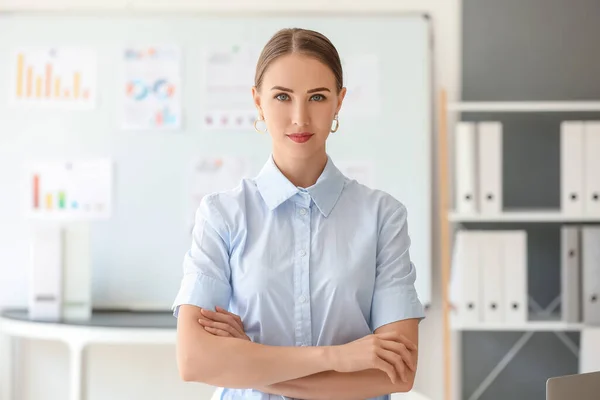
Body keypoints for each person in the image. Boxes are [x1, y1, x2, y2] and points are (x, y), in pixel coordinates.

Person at [172, 27, 426, 400]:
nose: (299, 118)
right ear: (258, 102)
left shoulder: (382, 217)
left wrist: (248, 363)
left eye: (317, 97)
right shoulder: (221, 215)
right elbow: (194, 361)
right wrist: (339, 357)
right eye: (282, 97)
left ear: (339, 102)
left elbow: (397, 375)